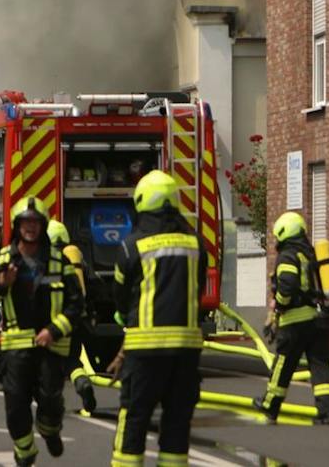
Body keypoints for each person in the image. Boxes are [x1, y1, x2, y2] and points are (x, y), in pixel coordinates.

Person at [111, 169, 206, 466]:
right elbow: (199, 288)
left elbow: (120, 296)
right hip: (186, 352)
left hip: (144, 353)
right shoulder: (196, 244)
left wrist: (123, 320)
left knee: (134, 418)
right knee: (177, 421)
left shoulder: (131, 245)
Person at [0, 197, 80, 465]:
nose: (30, 227)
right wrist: (2, 284)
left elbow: (77, 303)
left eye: (35, 222)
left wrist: (53, 330)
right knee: (16, 407)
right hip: (16, 349)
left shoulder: (58, 261)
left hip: (49, 347)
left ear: (42, 226)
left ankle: (50, 430)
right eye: (25, 222)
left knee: (50, 401)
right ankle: (25, 452)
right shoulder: (3, 259)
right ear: (17, 226)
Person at [259, 210, 329, 426]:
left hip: (295, 322)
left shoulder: (288, 255)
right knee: (320, 366)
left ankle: (270, 405)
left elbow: (288, 284)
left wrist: (280, 305)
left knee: (283, 365)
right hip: (320, 321)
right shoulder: (311, 254)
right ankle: (327, 412)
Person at [48, 218, 96, 416]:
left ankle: (49, 404)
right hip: (77, 319)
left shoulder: (46, 260)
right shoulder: (77, 257)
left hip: (52, 323)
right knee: (72, 360)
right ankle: (81, 381)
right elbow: (93, 284)